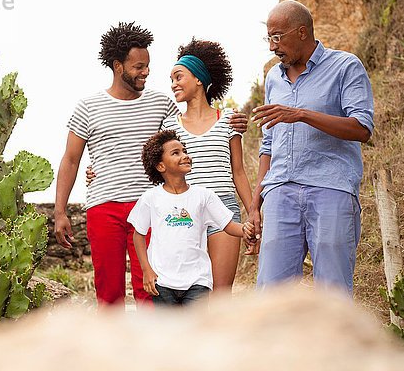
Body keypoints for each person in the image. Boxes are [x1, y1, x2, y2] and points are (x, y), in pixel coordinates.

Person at [54, 22, 247, 308]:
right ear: (118, 66)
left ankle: (153, 349)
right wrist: (60, 210)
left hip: (153, 206)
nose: (146, 72)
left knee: (153, 290)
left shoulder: (161, 105)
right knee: (108, 292)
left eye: (147, 66)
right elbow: (70, 160)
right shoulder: (88, 106)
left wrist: (233, 120)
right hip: (103, 205)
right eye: (139, 66)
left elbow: (189, 129)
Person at [247, 0, 374, 295]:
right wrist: (255, 204)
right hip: (279, 192)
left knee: (333, 294)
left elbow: (362, 128)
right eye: (269, 38)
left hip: (331, 188)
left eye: (277, 37)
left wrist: (302, 114)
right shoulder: (273, 78)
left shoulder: (345, 66)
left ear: (302, 32)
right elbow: (268, 144)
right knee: (270, 296)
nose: (272, 47)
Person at [161, 38, 257, 293]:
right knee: (189, 292)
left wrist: (253, 215)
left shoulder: (228, 120)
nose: (173, 84)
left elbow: (238, 172)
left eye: (178, 77)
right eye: (171, 80)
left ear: (199, 79)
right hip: (184, 212)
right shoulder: (170, 126)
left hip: (223, 208)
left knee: (220, 293)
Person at [128, 130, 254, 307]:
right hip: (162, 281)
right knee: (169, 331)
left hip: (198, 280)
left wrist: (245, 229)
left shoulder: (204, 196)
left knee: (196, 330)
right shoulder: (150, 198)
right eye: (176, 153)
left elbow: (228, 226)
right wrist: (146, 270)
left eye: (184, 150)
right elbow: (138, 235)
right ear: (161, 166)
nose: (185, 156)